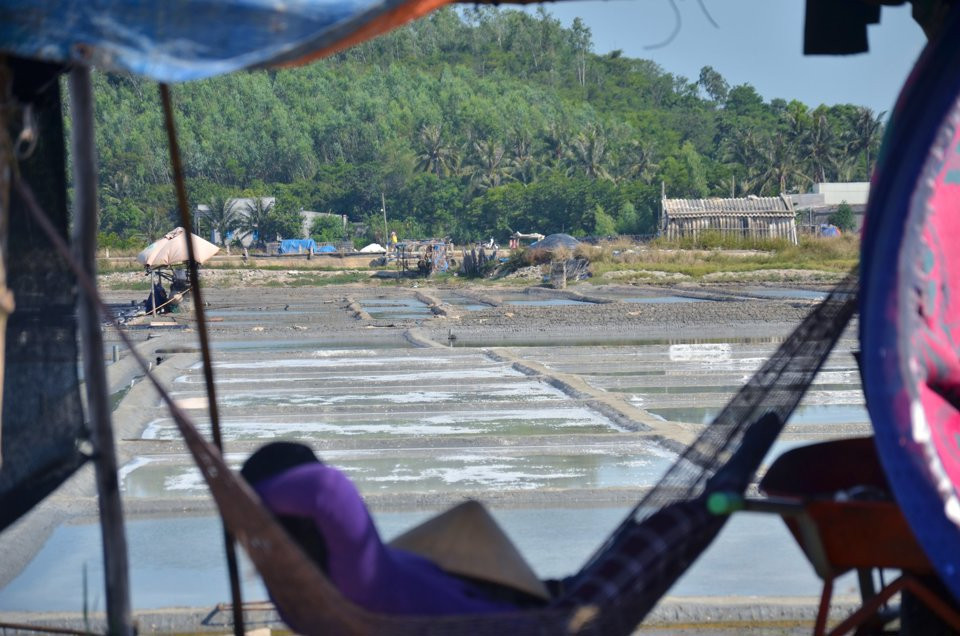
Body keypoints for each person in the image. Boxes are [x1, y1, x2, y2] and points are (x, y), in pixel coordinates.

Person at [240, 442, 548, 622]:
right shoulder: (360, 580)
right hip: (524, 621)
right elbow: (327, 488)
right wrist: (247, 502)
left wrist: (244, 509)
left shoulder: (294, 595)